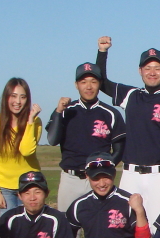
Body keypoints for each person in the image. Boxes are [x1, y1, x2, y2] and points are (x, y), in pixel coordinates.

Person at [95, 36, 160, 236]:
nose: (152, 72)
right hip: (130, 175)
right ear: (140, 71)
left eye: (157, 68)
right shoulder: (130, 95)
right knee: (127, 230)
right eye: (147, 68)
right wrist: (102, 52)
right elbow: (101, 83)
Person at [46, 62, 126, 213]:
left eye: (93, 82)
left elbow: (119, 149)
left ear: (99, 84)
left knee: (100, 223)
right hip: (71, 179)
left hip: (98, 179)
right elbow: (52, 140)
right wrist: (58, 112)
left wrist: (104, 170)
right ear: (76, 85)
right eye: (83, 82)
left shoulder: (110, 113)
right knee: (67, 224)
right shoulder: (66, 111)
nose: (89, 86)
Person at [0, 78, 43, 238]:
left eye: (23, 97)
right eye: (13, 96)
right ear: (6, 97)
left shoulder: (35, 122)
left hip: (29, 186)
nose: (18, 101)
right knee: (6, 235)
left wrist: (30, 121)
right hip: (5, 189)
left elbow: (26, 150)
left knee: (31, 232)